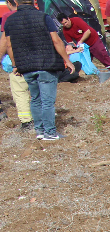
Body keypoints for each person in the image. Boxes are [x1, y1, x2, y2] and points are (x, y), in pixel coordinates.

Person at [0, 0, 72, 140]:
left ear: (15, 2)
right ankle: (50, 132)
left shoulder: (10, 21)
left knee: (35, 99)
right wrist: (67, 60)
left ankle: (39, 131)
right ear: (33, 2)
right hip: (46, 64)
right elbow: (56, 40)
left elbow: (9, 45)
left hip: (26, 66)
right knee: (47, 101)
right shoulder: (43, 17)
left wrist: (16, 65)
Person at [0, 0, 33, 130]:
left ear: (9, 2)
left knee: (20, 91)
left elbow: (6, 42)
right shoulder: (41, 14)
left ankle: (27, 122)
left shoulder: (8, 17)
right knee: (38, 91)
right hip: (40, 59)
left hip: (18, 59)